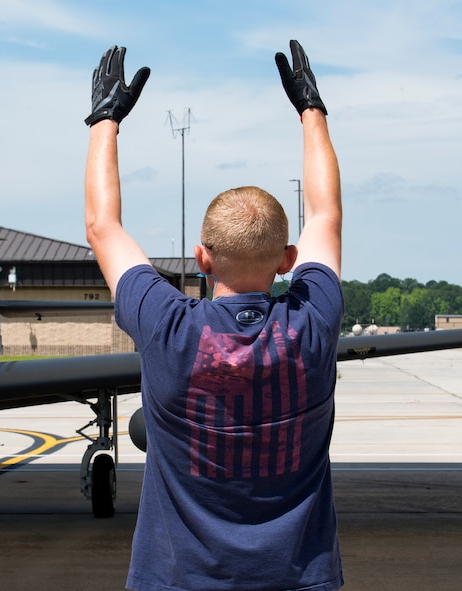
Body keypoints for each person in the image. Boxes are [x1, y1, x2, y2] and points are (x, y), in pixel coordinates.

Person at [84, 42, 343, 590]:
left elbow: (102, 227)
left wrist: (104, 120)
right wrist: (312, 111)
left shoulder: (168, 325)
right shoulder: (313, 320)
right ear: (287, 261)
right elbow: (326, 214)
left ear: (201, 258)